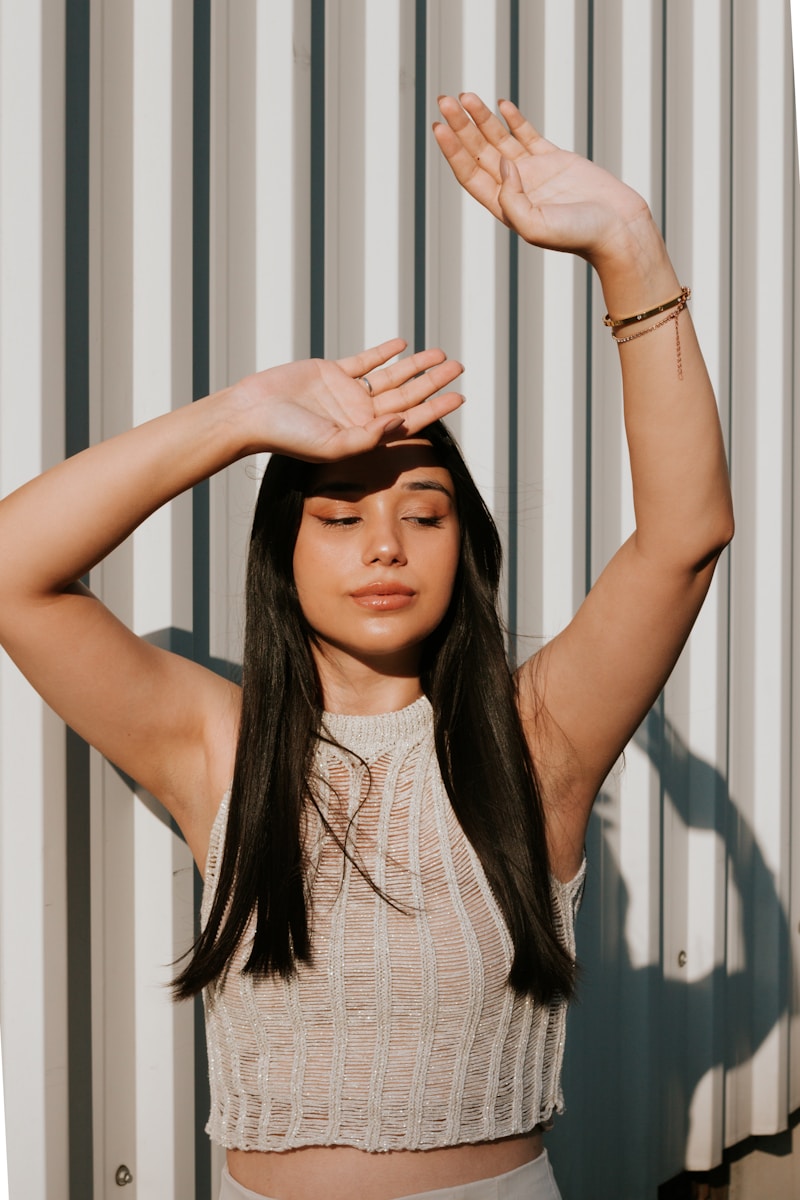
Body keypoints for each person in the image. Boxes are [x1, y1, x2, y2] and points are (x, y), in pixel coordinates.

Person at [0, 93, 732, 1200]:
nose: (382, 545)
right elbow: (14, 573)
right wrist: (239, 414)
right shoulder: (219, 746)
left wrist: (626, 250)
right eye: (337, 519)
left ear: (464, 550)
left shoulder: (540, 740)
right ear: (281, 560)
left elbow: (685, 534)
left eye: (423, 515)